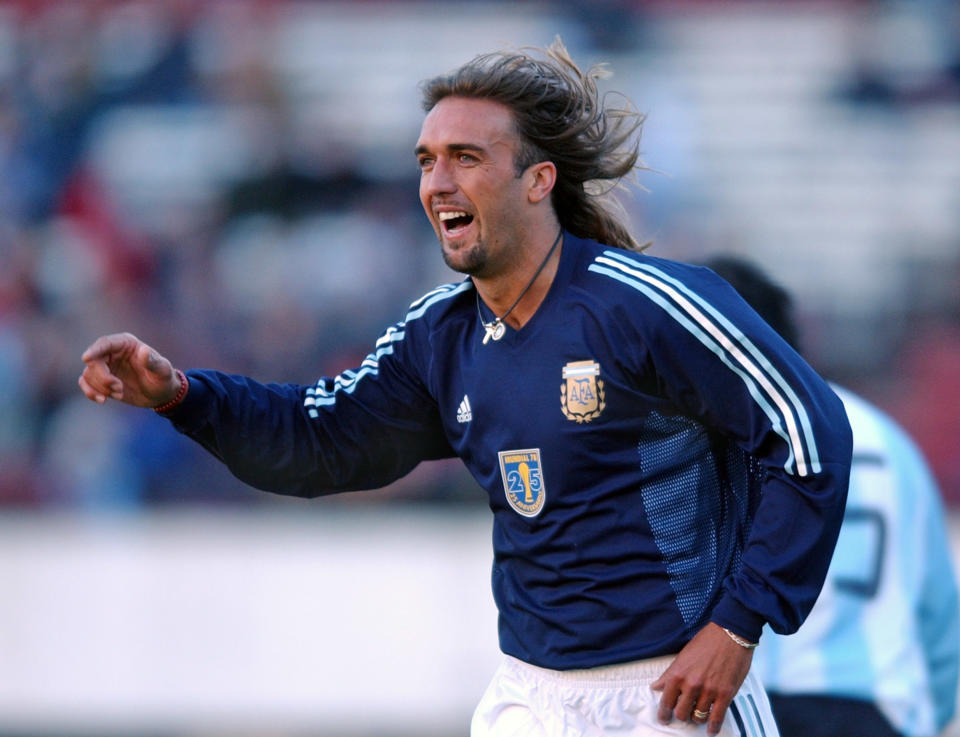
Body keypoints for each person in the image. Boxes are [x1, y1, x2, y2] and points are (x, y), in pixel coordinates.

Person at [78, 40, 852, 737]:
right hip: (529, 696)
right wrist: (184, 395)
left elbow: (811, 431)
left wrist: (740, 624)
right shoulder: (437, 336)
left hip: (666, 694)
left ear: (538, 180)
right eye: (425, 161)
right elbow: (321, 443)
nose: (437, 183)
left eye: (465, 158)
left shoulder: (644, 305)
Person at [701, 256, 959, 737]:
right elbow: (940, 615)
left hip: (748, 702)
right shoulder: (888, 440)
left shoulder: (707, 440)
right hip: (877, 707)